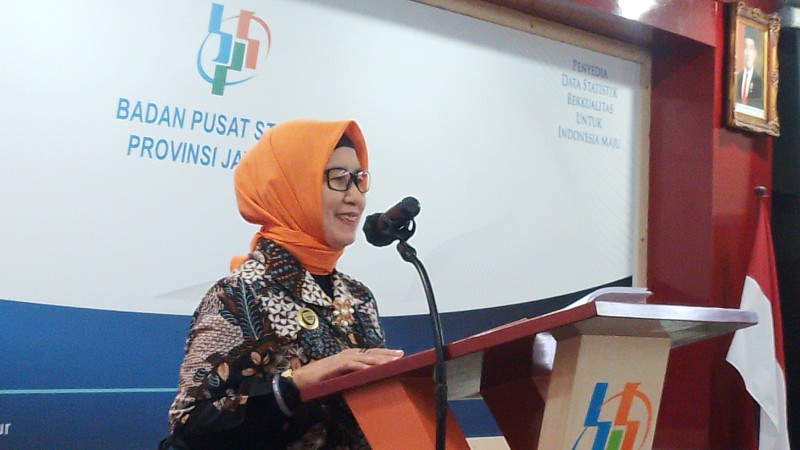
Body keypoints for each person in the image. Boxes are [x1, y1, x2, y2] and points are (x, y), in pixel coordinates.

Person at [161, 119, 404, 449]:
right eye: (338, 179)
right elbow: (190, 425)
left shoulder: (358, 297)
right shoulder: (240, 293)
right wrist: (295, 383)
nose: (355, 198)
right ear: (290, 186)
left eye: (359, 179)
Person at [736, 29, 764, 109]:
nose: (748, 53)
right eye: (745, 47)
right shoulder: (736, 79)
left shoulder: (760, 82)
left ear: (755, 53)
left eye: (751, 48)